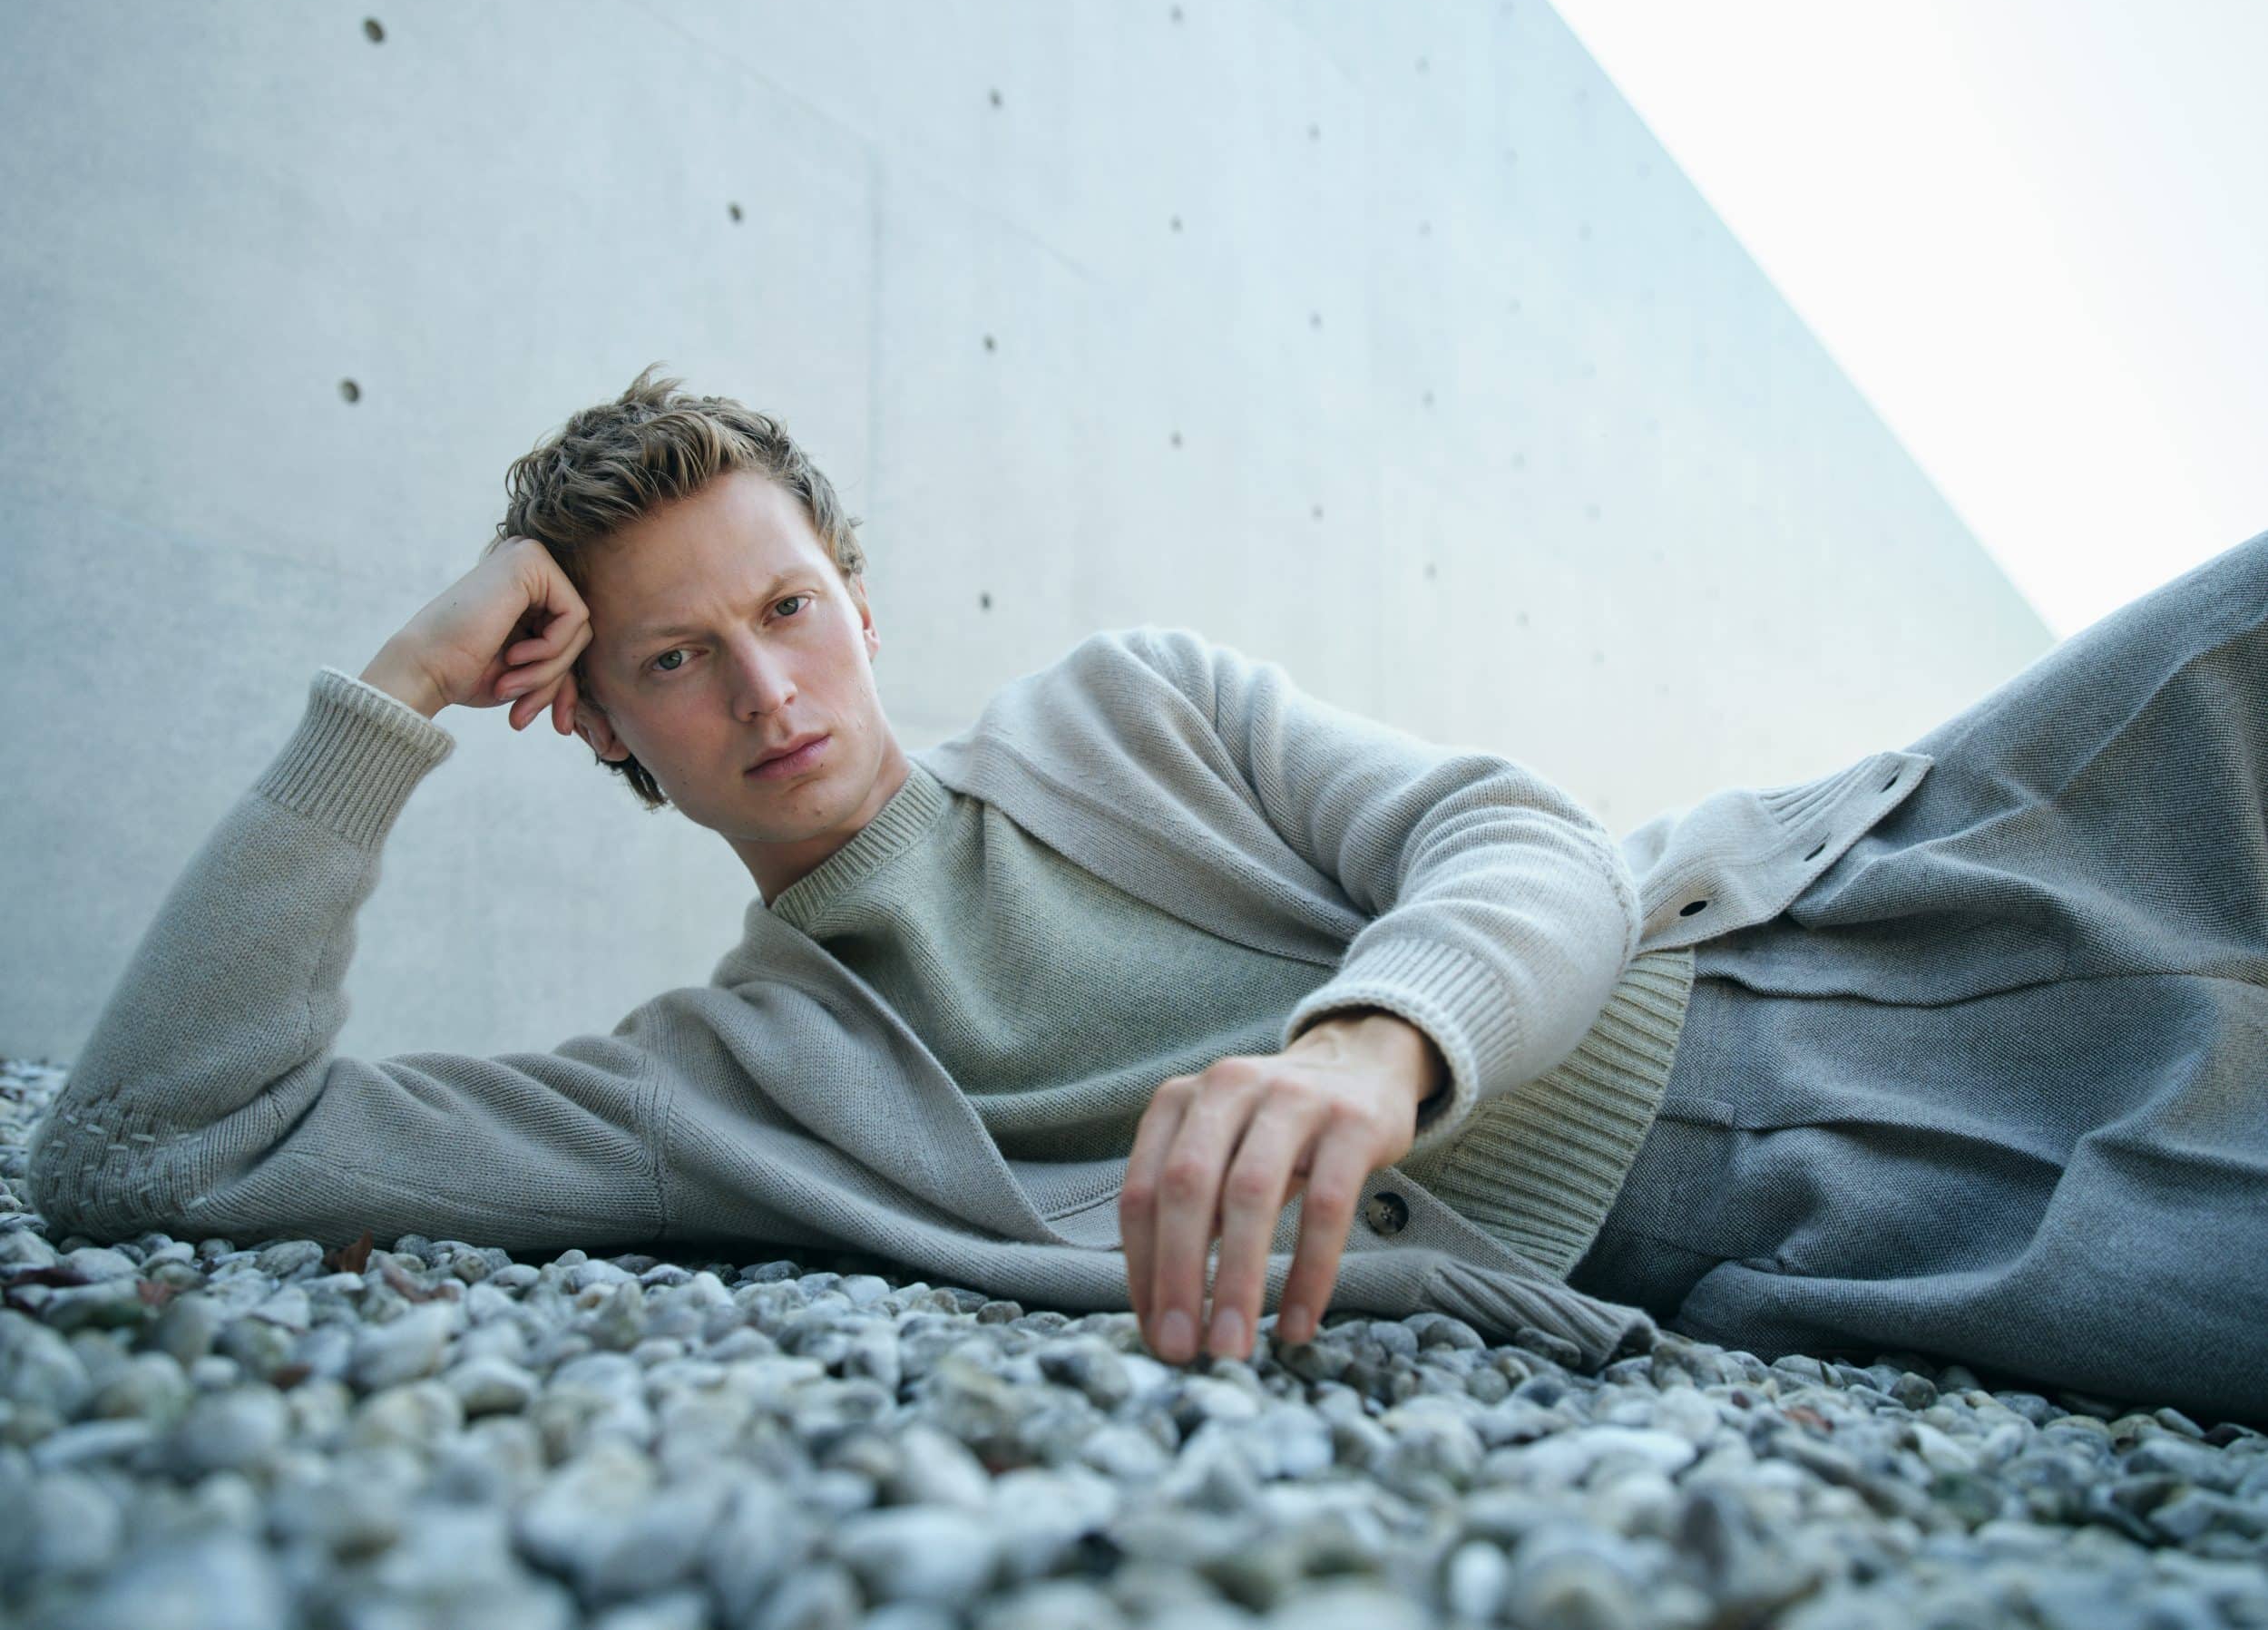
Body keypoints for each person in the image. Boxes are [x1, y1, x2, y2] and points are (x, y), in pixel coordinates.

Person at [28, 364, 2264, 1420]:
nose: (768, 689)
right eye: (675, 661)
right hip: (1857, 1246)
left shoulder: (1136, 705)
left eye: (788, 608)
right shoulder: (717, 1093)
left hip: (1861, 914)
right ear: (598, 722)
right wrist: (396, 694)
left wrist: (1367, 1045)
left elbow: (1516, 838)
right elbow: (152, 1154)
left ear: (860, 605)